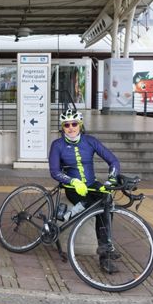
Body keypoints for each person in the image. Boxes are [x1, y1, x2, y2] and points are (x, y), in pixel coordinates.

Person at [48, 108, 121, 273]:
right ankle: (105, 254)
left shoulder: (90, 141)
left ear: (80, 125)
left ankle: (106, 248)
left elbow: (113, 161)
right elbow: (54, 171)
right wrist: (72, 181)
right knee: (95, 205)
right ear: (62, 127)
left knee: (107, 201)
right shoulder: (57, 145)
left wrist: (111, 179)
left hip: (92, 184)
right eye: (66, 125)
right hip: (72, 187)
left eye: (74, 124)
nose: (71, 128)